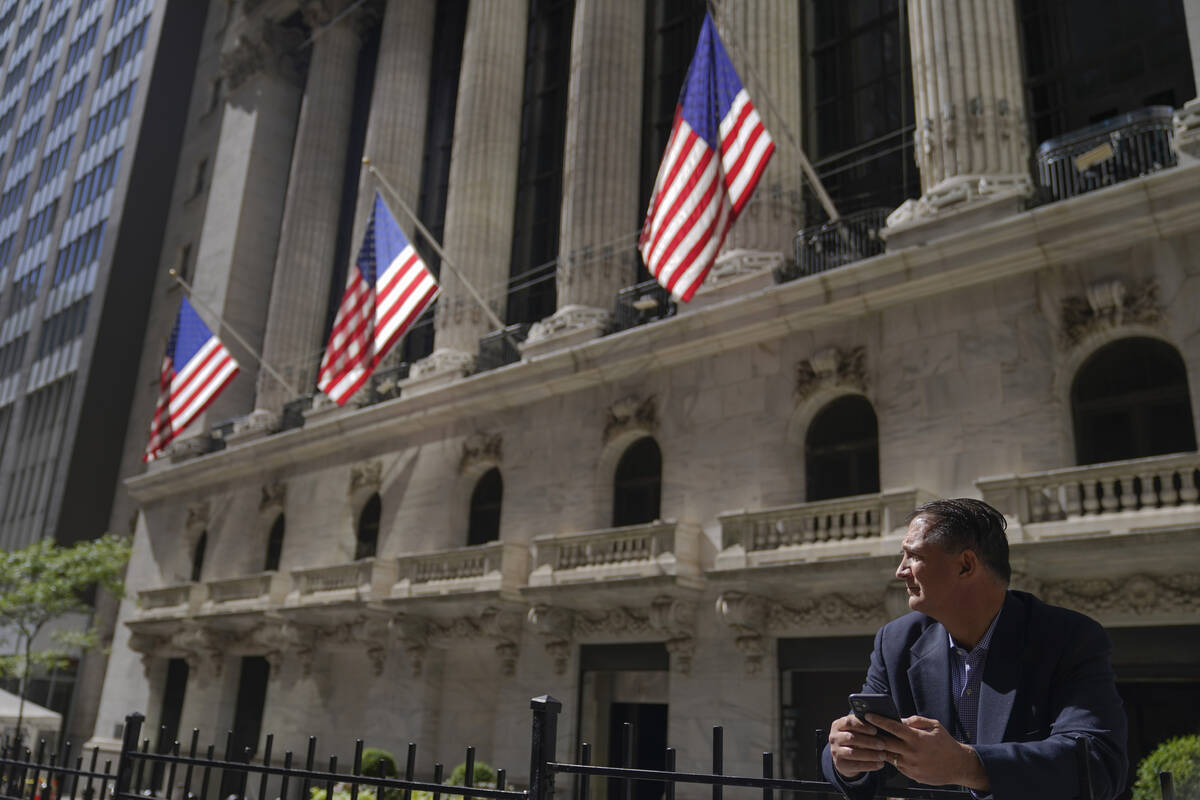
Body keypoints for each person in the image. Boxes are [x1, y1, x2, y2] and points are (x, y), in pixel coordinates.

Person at [822, 498, 1127, 800]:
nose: (901, 571)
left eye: (913, 556)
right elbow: (861, 756)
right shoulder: (896, 641)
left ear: (966, 565)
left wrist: (969, 766)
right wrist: (848, 759)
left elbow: (1098, 764)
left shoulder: (1068, 637)